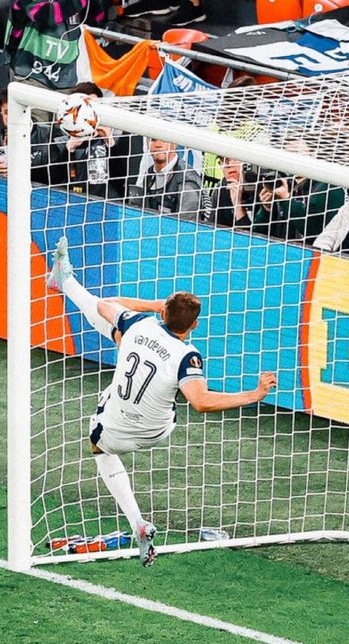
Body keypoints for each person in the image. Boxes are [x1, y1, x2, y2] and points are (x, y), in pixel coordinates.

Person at [46, 236, 277, 566]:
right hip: (158, 429)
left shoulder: (139, 323)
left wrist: (154, 305)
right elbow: (201, 401)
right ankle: (63, 279)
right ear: (194, 325)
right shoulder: (189, 354)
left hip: (118, 426)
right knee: (119, 335)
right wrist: (254, 394)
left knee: (99, 442)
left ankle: (138, 523)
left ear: (164, 312)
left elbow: (104, 303)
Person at [132, 138, 206, 221]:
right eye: (153, 140)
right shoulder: (149, 174)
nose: (158, 145)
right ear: (147, 143)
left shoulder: (188, 183)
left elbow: (186, 225)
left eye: (164, 140)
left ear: (175, 144)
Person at [207, 157, 258, 229]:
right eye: (223, 160)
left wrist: (238, 207)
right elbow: (213, 230)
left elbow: (257, 234)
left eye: (234, 158)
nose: (228, 165)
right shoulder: (222, 188)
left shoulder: (264, 187)